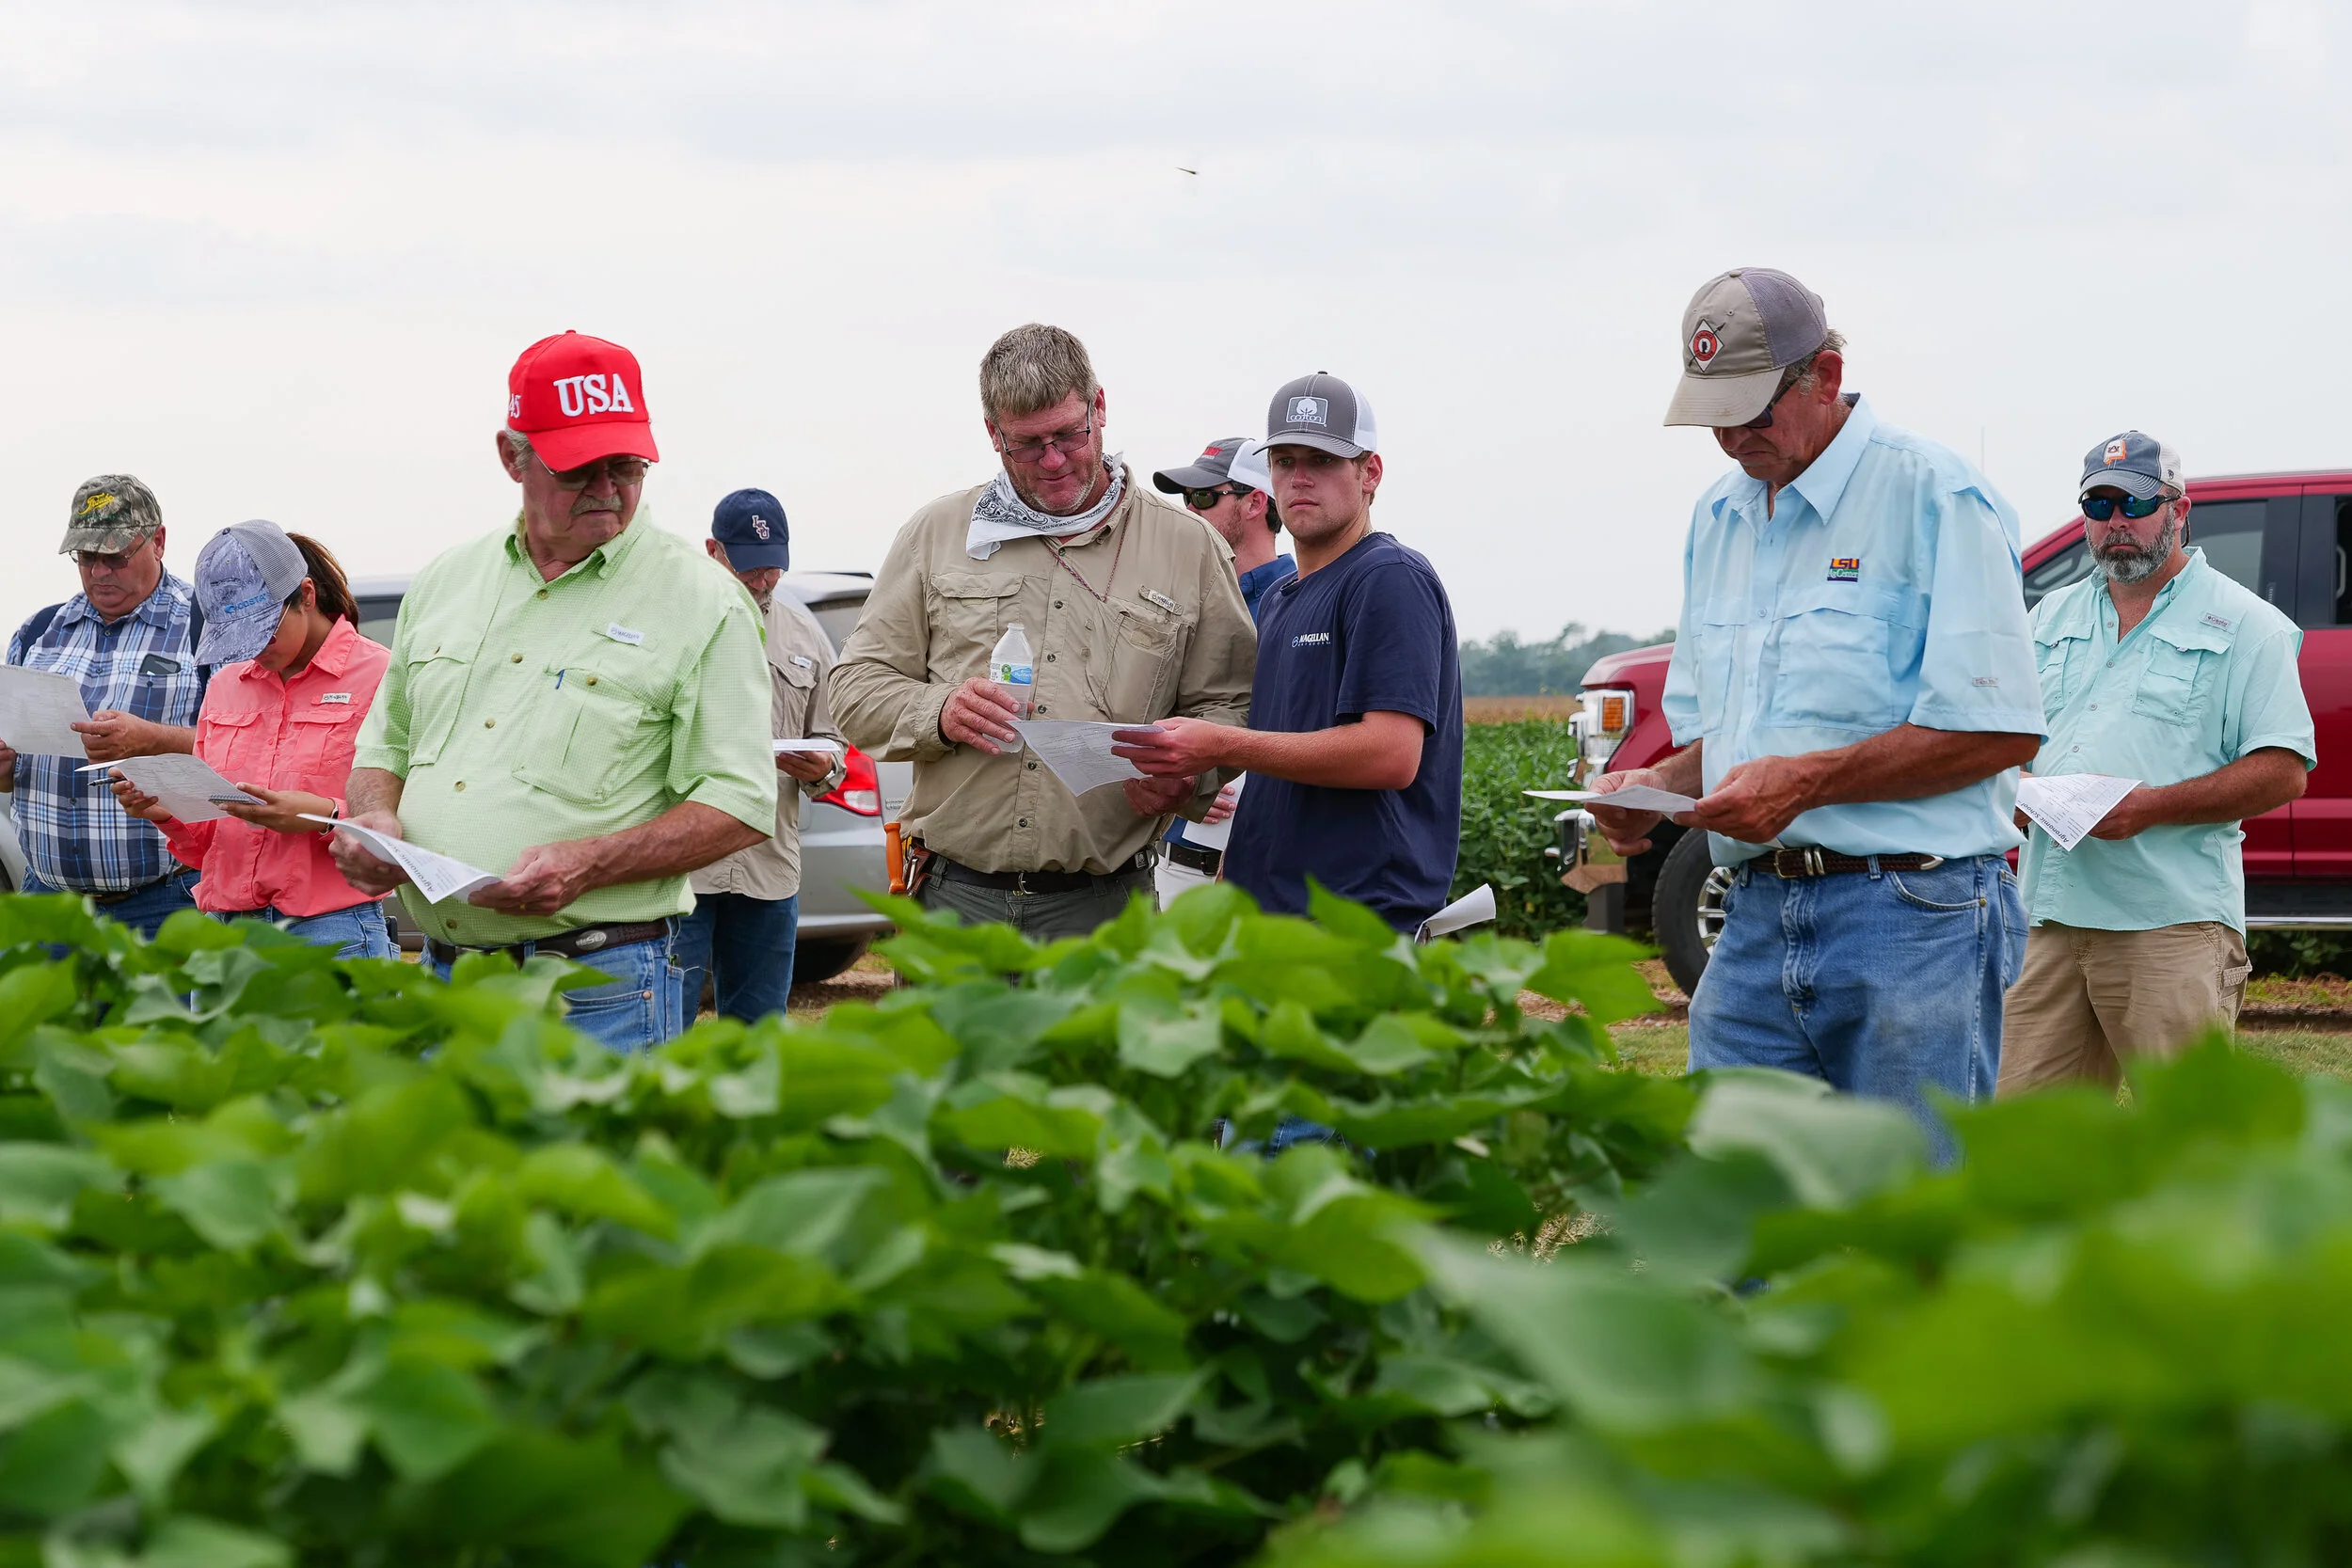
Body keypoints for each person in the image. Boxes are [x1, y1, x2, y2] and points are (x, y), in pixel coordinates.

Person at [1587, 268, 2042, 1124]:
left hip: (1914, 917)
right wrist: (1653, 793)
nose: (1731, 439)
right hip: (1754, 921)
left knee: (1913, 1225)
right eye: (1713, 418)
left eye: (1752, 411)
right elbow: (1724, 743)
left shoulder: (1936, 497)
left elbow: (2000, 731)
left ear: (1824, 378)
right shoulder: (1717, 519)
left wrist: (1808, 782)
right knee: (1733, 1218)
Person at [334, 330, 776, 1053]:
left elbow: (742, 802)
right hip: (449, 984)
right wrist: (376, 818)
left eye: (627, 464)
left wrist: (587, 862)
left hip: (598, 989)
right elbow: (386, 744)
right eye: (579, 468)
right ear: (512, 456)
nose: (607, 488)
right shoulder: (448, 580)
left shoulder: (704, 602)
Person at [831, 324, 1256, 941]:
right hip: (952, 902)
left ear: (1100, 407)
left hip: (1105, 911)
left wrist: (1189, 778)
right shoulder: (935, 533)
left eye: (1068, 434)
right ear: (992, 433)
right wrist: (940, 710)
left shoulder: (1189, 547)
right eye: (1027, 445)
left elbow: (1229, 705)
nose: (1053, 461)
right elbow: (854, 690)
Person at [1998, 433, 2314, 1092]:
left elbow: (2285, 767)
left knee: (2188, 1153)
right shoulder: (2046, 618)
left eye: (2135, 502)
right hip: (2047, 921)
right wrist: (2016, 790)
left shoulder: (2246, 623)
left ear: (2179, 509)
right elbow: (2001, 742)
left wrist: (2151, 808)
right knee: (2027, 1148)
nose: (2116, 520)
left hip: (2170, 925)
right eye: (2099, 503)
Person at [1112, 373, 1466, 934]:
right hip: (1271, 917)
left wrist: (1223, 744)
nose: (1300, 478)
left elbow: (1391, 754)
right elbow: (1273, 778)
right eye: (1284, 460)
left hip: (1358, 920)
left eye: (1323, 461)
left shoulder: (1388, 578)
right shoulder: (1281, 599)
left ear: (1370, 472)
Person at [107, 522, 396, 958]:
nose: (254, 647)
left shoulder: (382, 676)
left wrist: (322, 816)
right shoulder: (225, 685)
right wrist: (166, 812)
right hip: (225, 936)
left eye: (264, 630)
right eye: (237, 636)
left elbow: (408, 821)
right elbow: (208, 843)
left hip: (330, 934)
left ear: (307, 595)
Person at [4, 476, 207, 936]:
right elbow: (9, 774)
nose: (99, 572)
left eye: (115, 556)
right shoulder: (38, 633)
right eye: (87, 557)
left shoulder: (206, 629)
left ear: (158, 541)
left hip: (168, 903)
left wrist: (152, 740)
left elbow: (247, 754)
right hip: (48, 906)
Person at [675, 487, 848, 1022]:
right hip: (680, 867)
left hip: (769, 868)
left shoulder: (806, 635)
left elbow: (834, 741)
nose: (764, 579)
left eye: (774, 566)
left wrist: (824, 768)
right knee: (658, 1028)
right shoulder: (672, 625)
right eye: (750, 565)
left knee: (758, 1034)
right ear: (713, 550)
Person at [1148, 436, 1292, 904]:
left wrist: (1227, 777)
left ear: (1255, 503)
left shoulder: (1296, 604)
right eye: (1186, 498)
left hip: (1249, 874)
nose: (1190, 509)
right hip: (1166, 861)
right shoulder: (1179, 598)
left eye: (1205, 498)